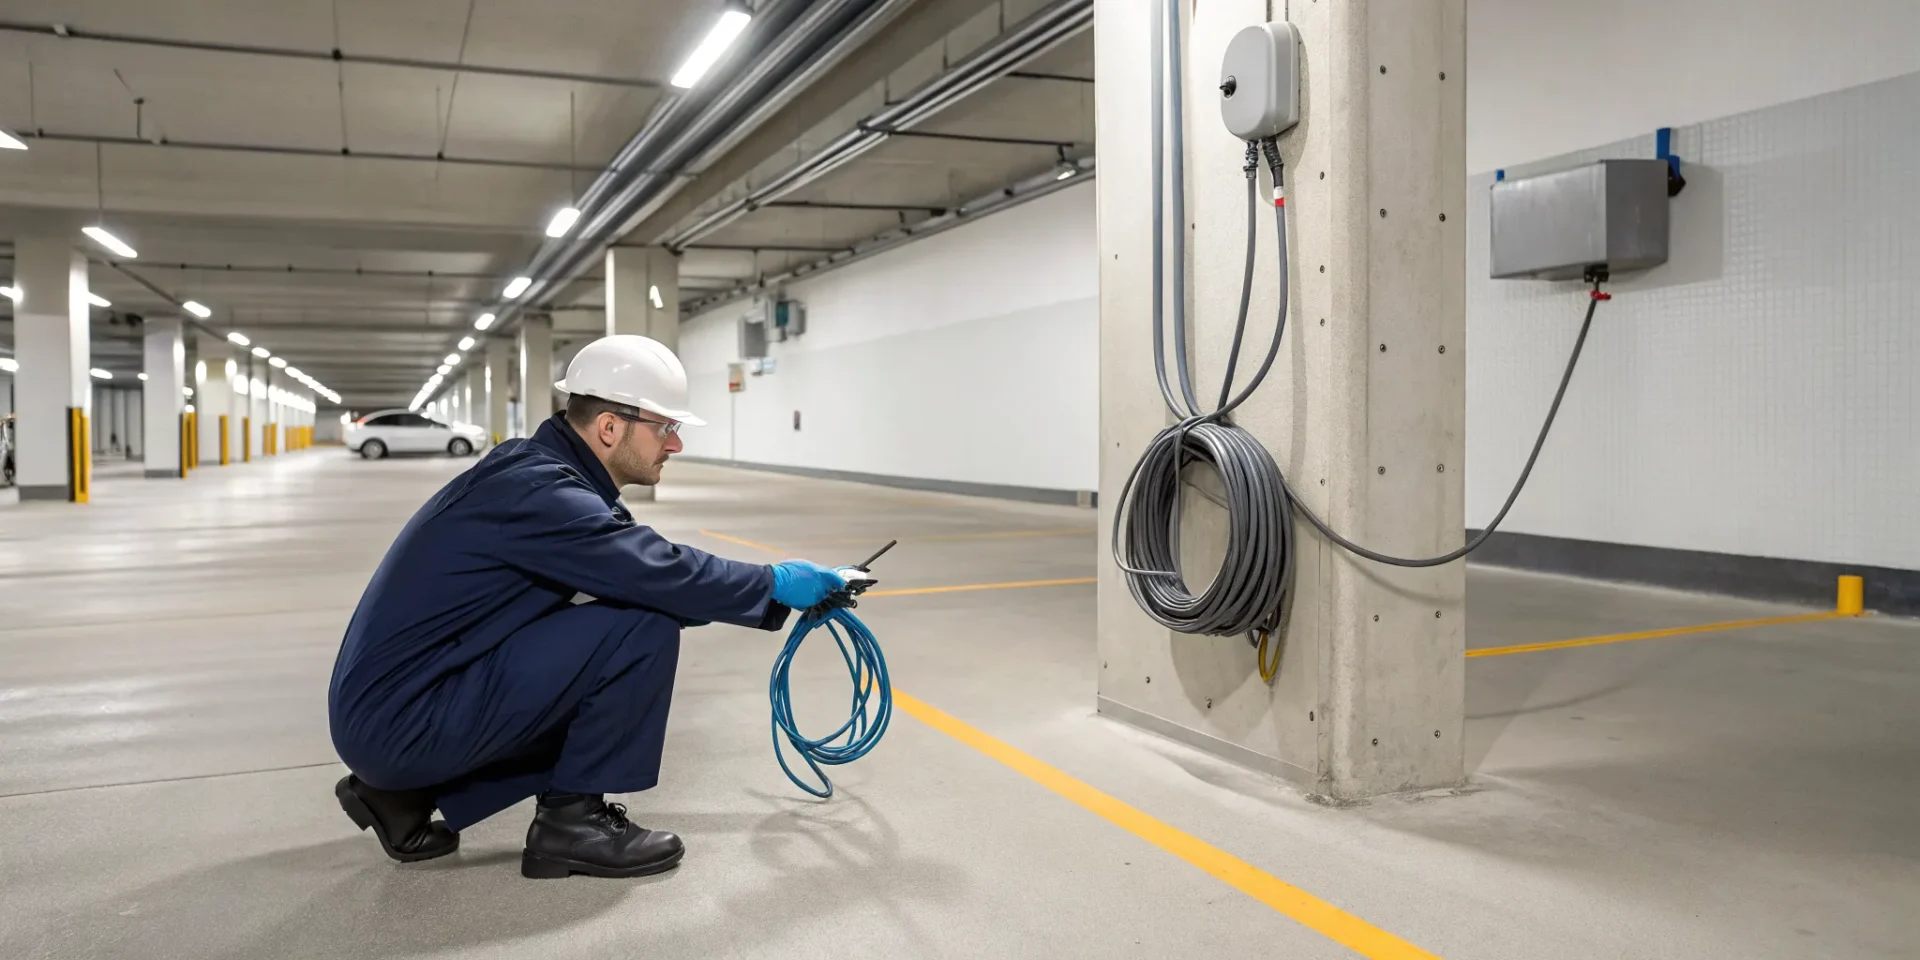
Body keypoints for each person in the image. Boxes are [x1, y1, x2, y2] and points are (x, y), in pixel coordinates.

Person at [327, 334, 851, 880]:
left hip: (396, 709)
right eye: (665, 428)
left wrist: (762, 592)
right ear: (609, 427)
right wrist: (773, 582)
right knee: (638, 631)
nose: (674, 445)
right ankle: (570, 826)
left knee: (623, 619)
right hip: (400, 722)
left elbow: (641, 577)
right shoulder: (543, 495)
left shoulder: (537, 472)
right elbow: (656, 572)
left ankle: (401, 797)